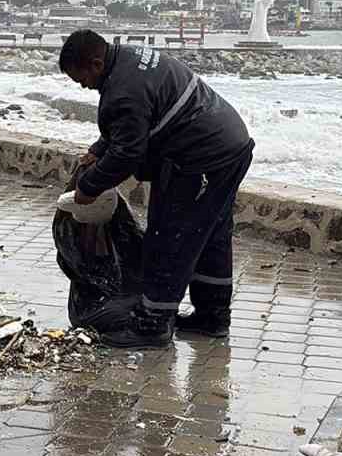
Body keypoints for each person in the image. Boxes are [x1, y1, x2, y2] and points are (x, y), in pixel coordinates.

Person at [59, 29, 254, 349]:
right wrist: (98, 149)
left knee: (170, 235)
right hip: (230, 145)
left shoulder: (122, 90)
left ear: (95, 64)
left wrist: (88, 188)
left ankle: (153, 325)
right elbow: (133, 122)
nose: (83, 86)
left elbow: (127, 153)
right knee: (211, 236)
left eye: (82, 79)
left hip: (202, 158)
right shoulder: (126, 59)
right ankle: (213, 317)